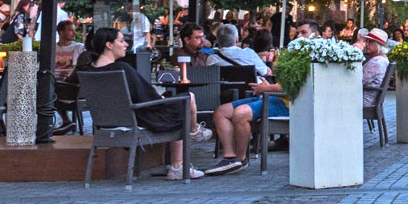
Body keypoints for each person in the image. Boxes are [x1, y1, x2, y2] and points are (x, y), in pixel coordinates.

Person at [82, 28, 204, 178]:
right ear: (109, 45)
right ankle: (180, 159)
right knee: (186, 99)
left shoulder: (88, 71)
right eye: (121, 41)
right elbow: (149, 98)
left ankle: (194, 132)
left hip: (108, 123)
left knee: (176, 102)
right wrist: (163, 100)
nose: (126, 44)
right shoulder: (122, 69)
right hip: (138, 119)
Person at [205, 24, 270, 77]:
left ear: (218, 40)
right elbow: (266, 72)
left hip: (223, 91)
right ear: (236, 39)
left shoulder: (212, 59)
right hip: (249, 91)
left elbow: (210, 78)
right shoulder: (249, 53)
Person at [362, 28, 390, 107]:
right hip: (372, 99)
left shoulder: (376, 62)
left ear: (378, 45)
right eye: (366, 41)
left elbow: (360, 81)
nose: (366, 44)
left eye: (370, 41)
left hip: (365, 100)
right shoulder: (383, 59)